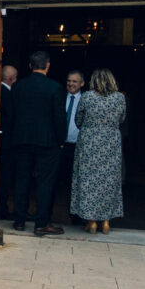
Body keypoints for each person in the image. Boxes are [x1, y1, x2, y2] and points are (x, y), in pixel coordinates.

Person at [9, 51, 67, 236]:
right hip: (47, 141)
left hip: (22, 139)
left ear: (30, 65)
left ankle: (19, 220)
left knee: (22, 179)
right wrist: (61, 139)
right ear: (47, 65)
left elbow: (12, 115)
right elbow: (59, 117)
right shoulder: (55, 87)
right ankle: (42, 223)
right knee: (45, 182)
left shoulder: (18, 87)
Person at [70, 68, 126, 235]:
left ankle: (92, 222)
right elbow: (122, 118)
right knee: (109, 181)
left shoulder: (87, 97)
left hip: (89, 142)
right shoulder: (120, 98)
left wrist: (90, 128)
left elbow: (78, 119)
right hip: (111, 142)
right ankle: (106, 222)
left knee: (88, 181)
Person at [60, 70, 85, 224]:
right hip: (60, 145)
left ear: (82, 83)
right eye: (69, 80)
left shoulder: (85, 100)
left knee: (76, 182)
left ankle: (75, 215)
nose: (71, 84)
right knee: (59, 180)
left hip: (78, 146)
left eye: (75, 81)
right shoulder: (60, 97)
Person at [0, 64, 18, 222]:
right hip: (7, 143)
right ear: (11, 79)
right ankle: (2, 208)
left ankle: (2, 207)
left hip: (1, 141)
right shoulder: (7, 94)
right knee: (4, 178)